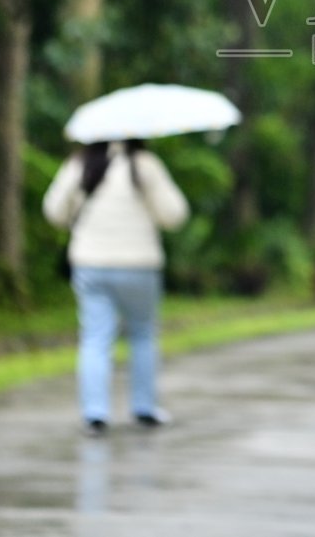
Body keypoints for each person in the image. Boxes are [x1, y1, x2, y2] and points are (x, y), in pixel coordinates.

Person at [43, 138, 189, 436]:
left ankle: (95, 415)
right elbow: (174, 215)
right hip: (139, 265)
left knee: (95, 338)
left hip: (91, 263)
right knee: (143, 335)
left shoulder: (80, 164)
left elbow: (53, 211)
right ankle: (144, 409)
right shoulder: (145, 165)